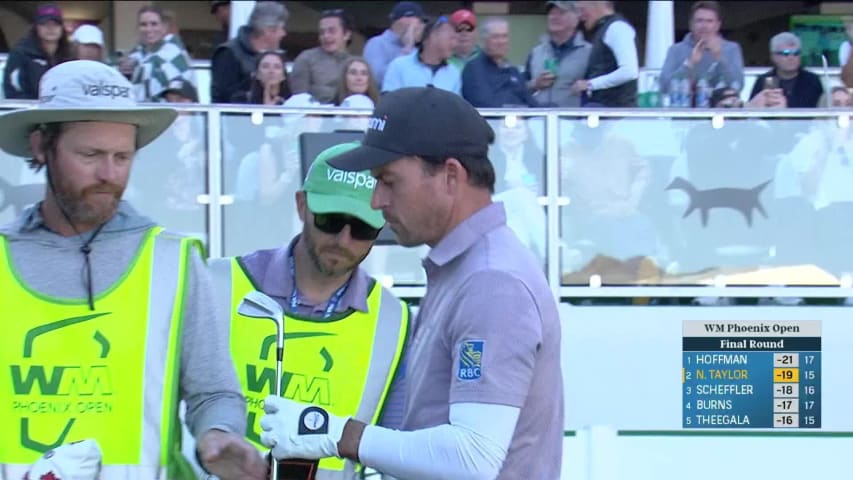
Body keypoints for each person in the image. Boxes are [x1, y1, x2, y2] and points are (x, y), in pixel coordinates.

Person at [258, 87, 564, 479]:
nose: (376, 201)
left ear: (450, 176)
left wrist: (336, 432)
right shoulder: (467, 270)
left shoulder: (492, 282)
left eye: (389, 181)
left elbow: (472, 459)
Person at [0, 60, 266, 480]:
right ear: (40, 146)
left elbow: (213, 392)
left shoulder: (173, 260)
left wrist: (219, 433)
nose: (109, 174)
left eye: (122, 156)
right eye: (90, 155)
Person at [210, 142, 409, 479]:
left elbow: (396, 453)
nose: (344, 240)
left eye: (363, 228)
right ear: (302, 205)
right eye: (331, 220)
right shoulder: (216, 283)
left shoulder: (396, 321)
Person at [659, 1, 745, 102]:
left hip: (721, 111)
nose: (704, 26)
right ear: (691, 24)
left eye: (709, 21)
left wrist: (720, 58)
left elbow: (738, 85)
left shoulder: (731, 49)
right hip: (684, 112)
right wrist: (689, 63)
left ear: (718, 25)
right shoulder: (675, 50)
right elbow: (664, 87)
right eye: (699, 21)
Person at [211, 1, 288, 104]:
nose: (284, 34)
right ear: (268, 30)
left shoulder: (276, 57)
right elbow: (224, 99)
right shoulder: (228, 54)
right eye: (281, 29)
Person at [118, 5, 197, 103]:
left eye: (154, 24)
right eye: (143, 24)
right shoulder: (136, 54)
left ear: (164, 27)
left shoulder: (173, 51)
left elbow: (183, 97)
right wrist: (126, 72)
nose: (148, 29)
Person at [572, 1, 639, 107]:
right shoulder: (605, 29)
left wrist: (590, 84)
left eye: (582, 9)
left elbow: (629, 71)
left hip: (616, 116)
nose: (579, 16)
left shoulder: (617, 28)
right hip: (607, 114)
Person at [525, 0, 591, 107]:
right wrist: (534, 84)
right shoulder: (536, 52)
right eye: (551, 13)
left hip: (573, 121)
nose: (554, 17)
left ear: (576, 18)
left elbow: (599, 91)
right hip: (538, 120)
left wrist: (585, 88)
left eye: (561, 13)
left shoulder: (588, 52)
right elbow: (519, 89)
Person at [2, 3, 74, 99]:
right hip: (29, 110)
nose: (50, 28)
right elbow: (13, 90)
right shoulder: (21, 54)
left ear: (62, 28)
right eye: (44, 24)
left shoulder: (69, 56)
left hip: (62, 110)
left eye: (56, 24)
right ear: (36, 27)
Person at [462, 17, 537, 107]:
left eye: (504, 36)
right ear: (484, 40)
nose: (501, 42)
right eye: (495, 37)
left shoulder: (513, 71)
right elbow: (485, 104)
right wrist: (520, 105)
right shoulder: (473, 69)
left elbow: (532, 103)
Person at [382, 15, 461, 94]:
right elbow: (388, 101)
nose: (455, 44)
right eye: (451, 38)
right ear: (433, 35)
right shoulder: (399, 66)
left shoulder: (454, 74)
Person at [289, 9, 354, 104]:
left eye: (332, 31)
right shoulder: (306, 59)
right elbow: (299, 99)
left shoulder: (355, 63)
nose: (326, 36)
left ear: (346, 35)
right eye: (322, 32)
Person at [363, 1, 427, 90]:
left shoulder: (416, 50)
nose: (422, 26)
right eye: (420, 21)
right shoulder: (376, 43)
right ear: (404, 21)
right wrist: (407, 49)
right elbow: (375, 80)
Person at [749, 32, 823, 108]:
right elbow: (752, 112)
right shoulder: (764, 80)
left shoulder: (812, 80)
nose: (791, 58)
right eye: (786, 54)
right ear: (773, 56)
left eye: (796, 53)